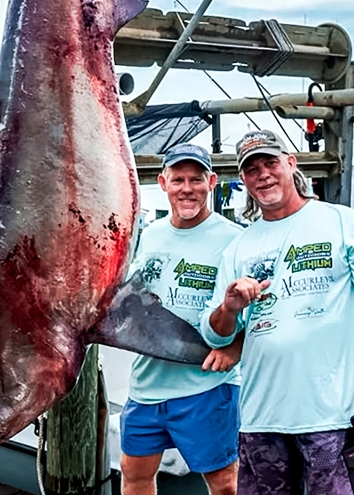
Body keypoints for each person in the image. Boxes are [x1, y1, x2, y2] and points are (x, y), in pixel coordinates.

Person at [199, 130, 354, 495]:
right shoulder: (238, 247)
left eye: (270, 162)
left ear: (291, 164)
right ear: (242, 179)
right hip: (260, 420)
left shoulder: (343, 222)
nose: (262, 174)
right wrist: (229, 307)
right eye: (251, 169)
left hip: (330, 417)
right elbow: (217, 335)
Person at [119, 143, 246, 495]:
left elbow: (259, 309)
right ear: (162, 183)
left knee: (224, 484)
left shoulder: (234, 239)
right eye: (178, 179)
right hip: (147, 383)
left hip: (205, 385)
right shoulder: (151, 233)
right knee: (134, 475)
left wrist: (235, 347)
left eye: (196, 179)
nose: (187, 188)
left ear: (212, 182)